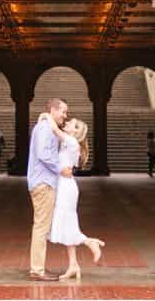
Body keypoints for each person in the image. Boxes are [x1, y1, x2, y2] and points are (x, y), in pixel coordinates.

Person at [39, 112, 106, 281]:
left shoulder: (70, 141)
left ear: (75, 133)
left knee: (66, 224)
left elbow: (55, 130)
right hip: (64, 185)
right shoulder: (70, 143)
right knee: (67, 225)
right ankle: (73, 265)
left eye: (73, 124)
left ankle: (90, 242)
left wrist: (46, 116)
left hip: (66, 188)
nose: (68, 122)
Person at [27, 98, 72, 281]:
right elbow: (43, 154)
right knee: (41, 227)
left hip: (43, 182)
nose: (65, 115)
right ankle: (37, 270)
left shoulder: (45, 126)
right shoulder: (45, 128)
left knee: (41, 226)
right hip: (43, 183)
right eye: (63, 111)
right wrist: (61, 169)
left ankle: (37, 268)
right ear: (53, 110)